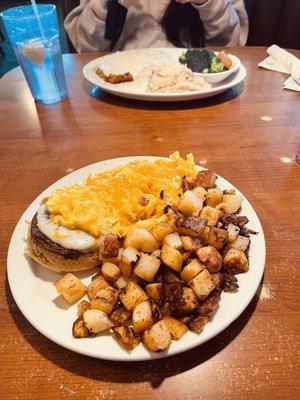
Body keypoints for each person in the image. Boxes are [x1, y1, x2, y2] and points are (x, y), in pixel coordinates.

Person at [65, 0, 248, 53]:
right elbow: (87, 48)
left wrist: (207, 3)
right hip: (121, 84)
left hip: (198, 83)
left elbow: (231, 46)